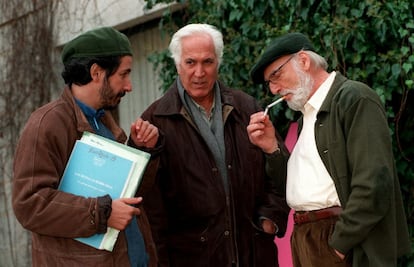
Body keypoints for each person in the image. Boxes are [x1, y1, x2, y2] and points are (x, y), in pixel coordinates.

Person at [247, 32, 411, 267]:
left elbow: (373, 184)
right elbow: (299, 188)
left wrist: (338, 245)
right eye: (270, 82)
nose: (274, 89)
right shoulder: (308, 116)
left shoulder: (354, 98)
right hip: (308, 239)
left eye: (277, 75)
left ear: (303, 61)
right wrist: (272, 147)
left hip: (338, 241)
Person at [135, 23, 290, 267]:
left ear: (218, 62)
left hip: (254, 255)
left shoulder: (247, 108)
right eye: (190, 62)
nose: (199, 72)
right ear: (177, 64)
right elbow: (150, 210)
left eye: (207, 62)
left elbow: (280, 171)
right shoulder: (154, 122)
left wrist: (270, 218)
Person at [12, 27, 162, 267]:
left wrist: (142, 150)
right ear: (96, 72)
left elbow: (127, 197)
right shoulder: (47, 124)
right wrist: (101, 213)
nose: (129, 86)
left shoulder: (101, 120)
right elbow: (30, 204)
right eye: (123, 74)